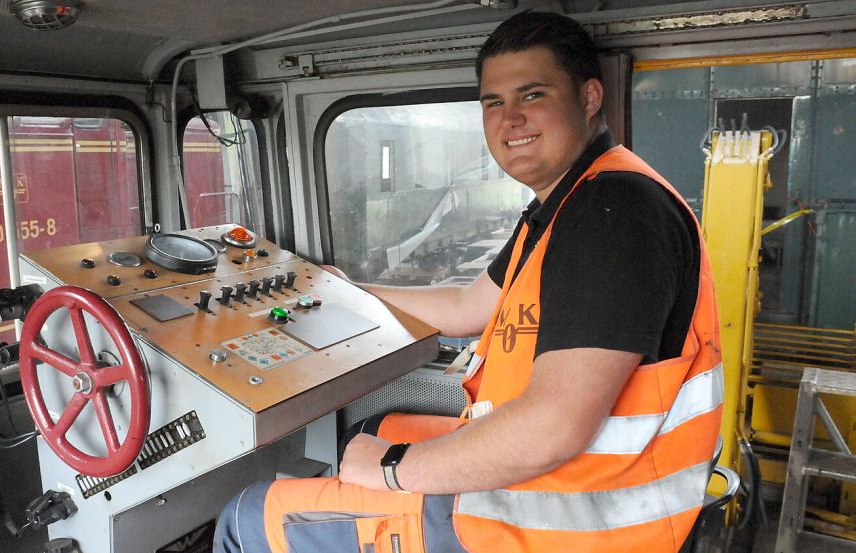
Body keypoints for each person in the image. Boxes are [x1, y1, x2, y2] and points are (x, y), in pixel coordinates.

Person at [214, 10, 722, 553]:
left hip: (569, 521)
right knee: (371, 427)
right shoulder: (564, 206)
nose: (510, 120)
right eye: (493, 103)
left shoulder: (613, 211)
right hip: (560, 484)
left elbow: (553, 427)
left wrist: (393, 470)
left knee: (246, 514)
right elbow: (466, 306)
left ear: (590, 98)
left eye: (532, 96)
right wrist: (343, 288)